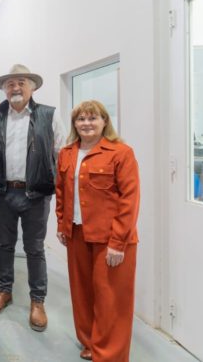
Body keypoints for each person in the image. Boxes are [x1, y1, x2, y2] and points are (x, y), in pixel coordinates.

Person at [55, 100, 140, 361]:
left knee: (111, 299)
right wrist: (62, 224)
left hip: (110, 238)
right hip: (77, 233)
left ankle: (110, 354)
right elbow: (61, 191)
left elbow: (130, 199)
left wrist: (118, 242)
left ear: (104, 122)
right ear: (74, 124)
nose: (87, 123)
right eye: (81, 119)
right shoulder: (67, 153)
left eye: (93, 118)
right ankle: (90, 343)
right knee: (82, 294)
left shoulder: (120, 152)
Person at [0, 64, 65, 331]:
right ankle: (4, 290)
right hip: (4, 192)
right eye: (10, 84)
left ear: (32, 87)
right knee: (4, 244)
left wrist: (59, 189)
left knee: (35, 248)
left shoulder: (49, 116)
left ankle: (37, 301)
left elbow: (61, 155)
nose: (15, 88)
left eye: (21, 82)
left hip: (36, 194)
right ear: (4, 90)